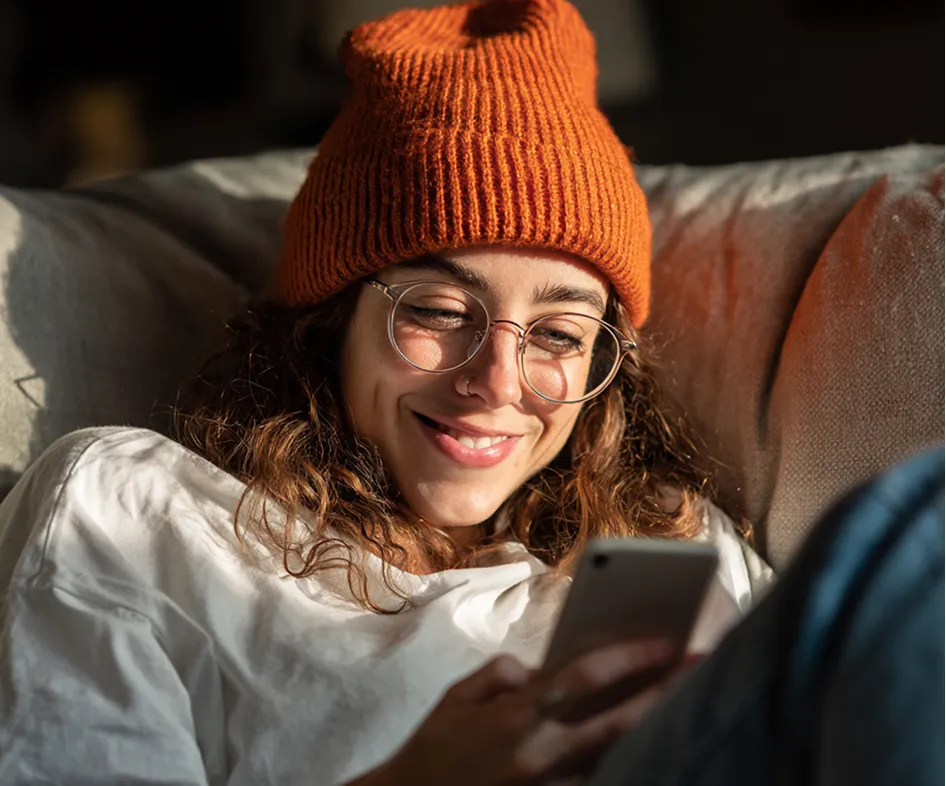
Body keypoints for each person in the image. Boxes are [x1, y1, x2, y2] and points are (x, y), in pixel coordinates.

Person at [0, 2, 940, 785]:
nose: (496, 383)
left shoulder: (669, 542)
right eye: (442, 310)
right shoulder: (128, 511)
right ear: (327, 319)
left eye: (561, 334)